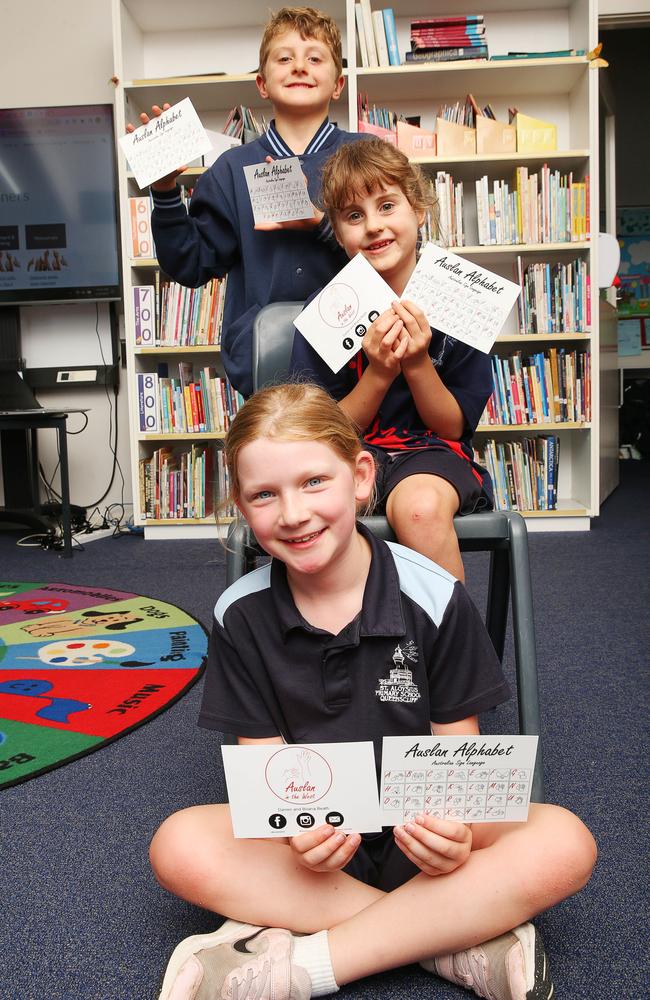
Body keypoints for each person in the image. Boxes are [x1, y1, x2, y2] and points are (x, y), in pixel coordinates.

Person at [149, 383, 596, 1000]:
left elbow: (457, 766)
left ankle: (308, 961)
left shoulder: (437, 594)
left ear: (361, 477)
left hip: (420, 832)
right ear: (242, 506)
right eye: (264, 495)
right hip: (318, 848)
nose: (294, 513)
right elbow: (265, 771)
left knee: (566, 842)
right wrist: (296, 838)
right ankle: (453, 938)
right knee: (178, 846)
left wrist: (453, 832)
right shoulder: (237, 614)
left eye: (313, 482)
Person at [128, 7, 366, 398]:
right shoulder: (231, 169)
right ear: (262, 84)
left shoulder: (367, 155)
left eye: (315, 58)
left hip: (356, 361)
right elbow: (190, 263)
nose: (300, 67)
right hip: (262, 364)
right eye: (284, 58)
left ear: (338, 84)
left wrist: (324, 223)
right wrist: (167, 191)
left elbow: (401, 252)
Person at [290, 138, 495, 580]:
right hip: (347, 455)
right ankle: (340, 641)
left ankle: (449, 646)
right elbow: (324, 434)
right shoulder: (325, 312)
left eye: (387, 206)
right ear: (337, 232)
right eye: (353, 216)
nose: (373, 226)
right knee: (303, 510)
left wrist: (417, 362)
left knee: (419, 508)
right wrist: (379, 373)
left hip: (432, 453)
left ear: (418, 210)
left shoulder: (460, 301)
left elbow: (452, 426)